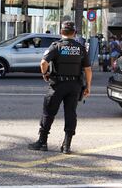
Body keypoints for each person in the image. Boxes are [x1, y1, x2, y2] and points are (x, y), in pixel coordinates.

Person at [28, 21, 92, 154]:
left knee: (48, 113)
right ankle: (66, 146)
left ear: (61, 32)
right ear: (74, 33)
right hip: (74, 86)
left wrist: (45, 74)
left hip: (57, 85)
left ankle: (42, 142)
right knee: (71, 114)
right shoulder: (80, 48)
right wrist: (88, 87)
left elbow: (43, 62)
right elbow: (88, 70)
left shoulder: (56, 46)